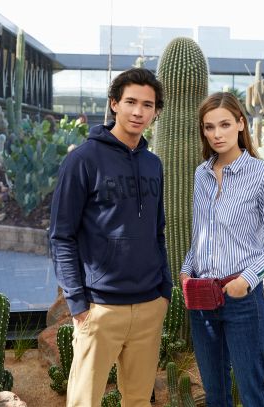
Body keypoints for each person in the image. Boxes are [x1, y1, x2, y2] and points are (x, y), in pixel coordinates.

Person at [49, 68, 172, 407]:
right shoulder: (82, 160)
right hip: (99, 308)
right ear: (114, 104)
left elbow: (157, 231)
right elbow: (61, 236)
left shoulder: (153, 164)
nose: (138, 112)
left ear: (156, 112)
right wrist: (78, 304)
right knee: (84, 402)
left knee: (138, 401)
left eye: (147, 105)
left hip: (149, 306)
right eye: (130, 102)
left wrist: (164, 290)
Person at [180, 92, 264, 406]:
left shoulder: (262, 174)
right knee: (215, 394)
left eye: (225, 124)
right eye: (209, 127)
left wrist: (246, 280)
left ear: (241, 124)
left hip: (242, 300)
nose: (217, 134)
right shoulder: (201, 175)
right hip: (201, 298)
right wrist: (187, 271)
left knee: (252, 392)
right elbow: (201, 234)